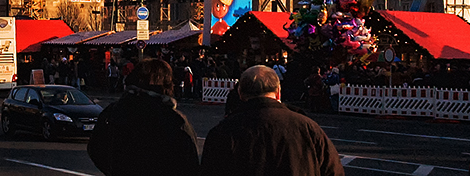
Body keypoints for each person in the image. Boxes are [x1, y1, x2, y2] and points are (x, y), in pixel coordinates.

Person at [200, 65, 343, 176]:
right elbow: (333, 171)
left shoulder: (223, 132)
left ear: (241, 94)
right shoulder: (307, 128)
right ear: (278, 92)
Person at [88, 58, 199, 176]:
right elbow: (190, 163)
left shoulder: (114, 111)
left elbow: (96, 148)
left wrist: (115, 169)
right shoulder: (174, 120)